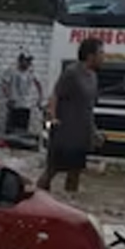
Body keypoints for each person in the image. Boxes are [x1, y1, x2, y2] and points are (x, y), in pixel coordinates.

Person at [41, 38, 102, 194]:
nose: (103, 57)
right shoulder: (72, 72)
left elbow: (88, 107)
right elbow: (55, 95)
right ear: (90, 55)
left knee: (75, 172)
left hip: (81, 135)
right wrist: (52, 119)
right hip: (65, 132)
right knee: (52, 171)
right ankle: (37, 199)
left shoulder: (93, 77)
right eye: (100, 53)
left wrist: (94, 132)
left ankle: (70, 204)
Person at [1, 51, 43, 137]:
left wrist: (40, 98)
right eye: (26, 60)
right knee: (11, 127)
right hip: (14, 104)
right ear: (21, 60)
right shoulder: (12, 71)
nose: (28, 63)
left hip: (26, 105)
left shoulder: (31, 72)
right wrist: (8, 97)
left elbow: (38, 84)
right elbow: (4, 84)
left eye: (29, 61)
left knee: (22, 128)